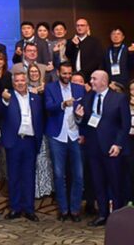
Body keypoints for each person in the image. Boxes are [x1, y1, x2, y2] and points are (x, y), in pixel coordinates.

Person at [75, 70, 130, 226]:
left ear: (104, 81)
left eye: (94, 79)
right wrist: (79, 117)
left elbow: (124, 125)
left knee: (115, 183)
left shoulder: (119, 98)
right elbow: (84, 121)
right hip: (93, 148)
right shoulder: (88, 97)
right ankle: (103, 214)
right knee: (98, 182)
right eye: (91, 78)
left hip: (112, 149)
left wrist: (118, 144)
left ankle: (118, 217)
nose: (90, 81)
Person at [0, 72, 43, 221]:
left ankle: (29, 209)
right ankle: (15, 208)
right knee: (14, 176)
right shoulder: (7, 97)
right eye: (17, 81)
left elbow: (41, 119)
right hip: (14, 141)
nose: (19, 83)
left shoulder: (36, 98)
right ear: (13, 83)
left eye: (22, 80)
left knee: (29, 176)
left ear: (26, 81)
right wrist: (5, 102)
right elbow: (1, 114)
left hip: (30, 141)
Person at [44, 61, 84, 221]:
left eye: (69, 73)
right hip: (57, 136)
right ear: (59, 73)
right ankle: (63, 209)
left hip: (75, 134)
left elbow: (84, 112)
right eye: (64, 73)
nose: (67, 76)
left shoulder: (79, 89)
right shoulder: (50, 87)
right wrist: (62, 104)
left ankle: (75, 210)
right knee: (59, 174)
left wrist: (80, 117)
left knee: (79, 175)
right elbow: (48, 106)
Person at [26, 63, 53, 199]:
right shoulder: (24, 88)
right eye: (31, 71)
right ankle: (34, 190)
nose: (34, 74)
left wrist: (43, 92)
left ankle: (45, 189)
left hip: (44, 127)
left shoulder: (47, 88)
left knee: (43, 159)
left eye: (36, 71)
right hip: (30, 128)